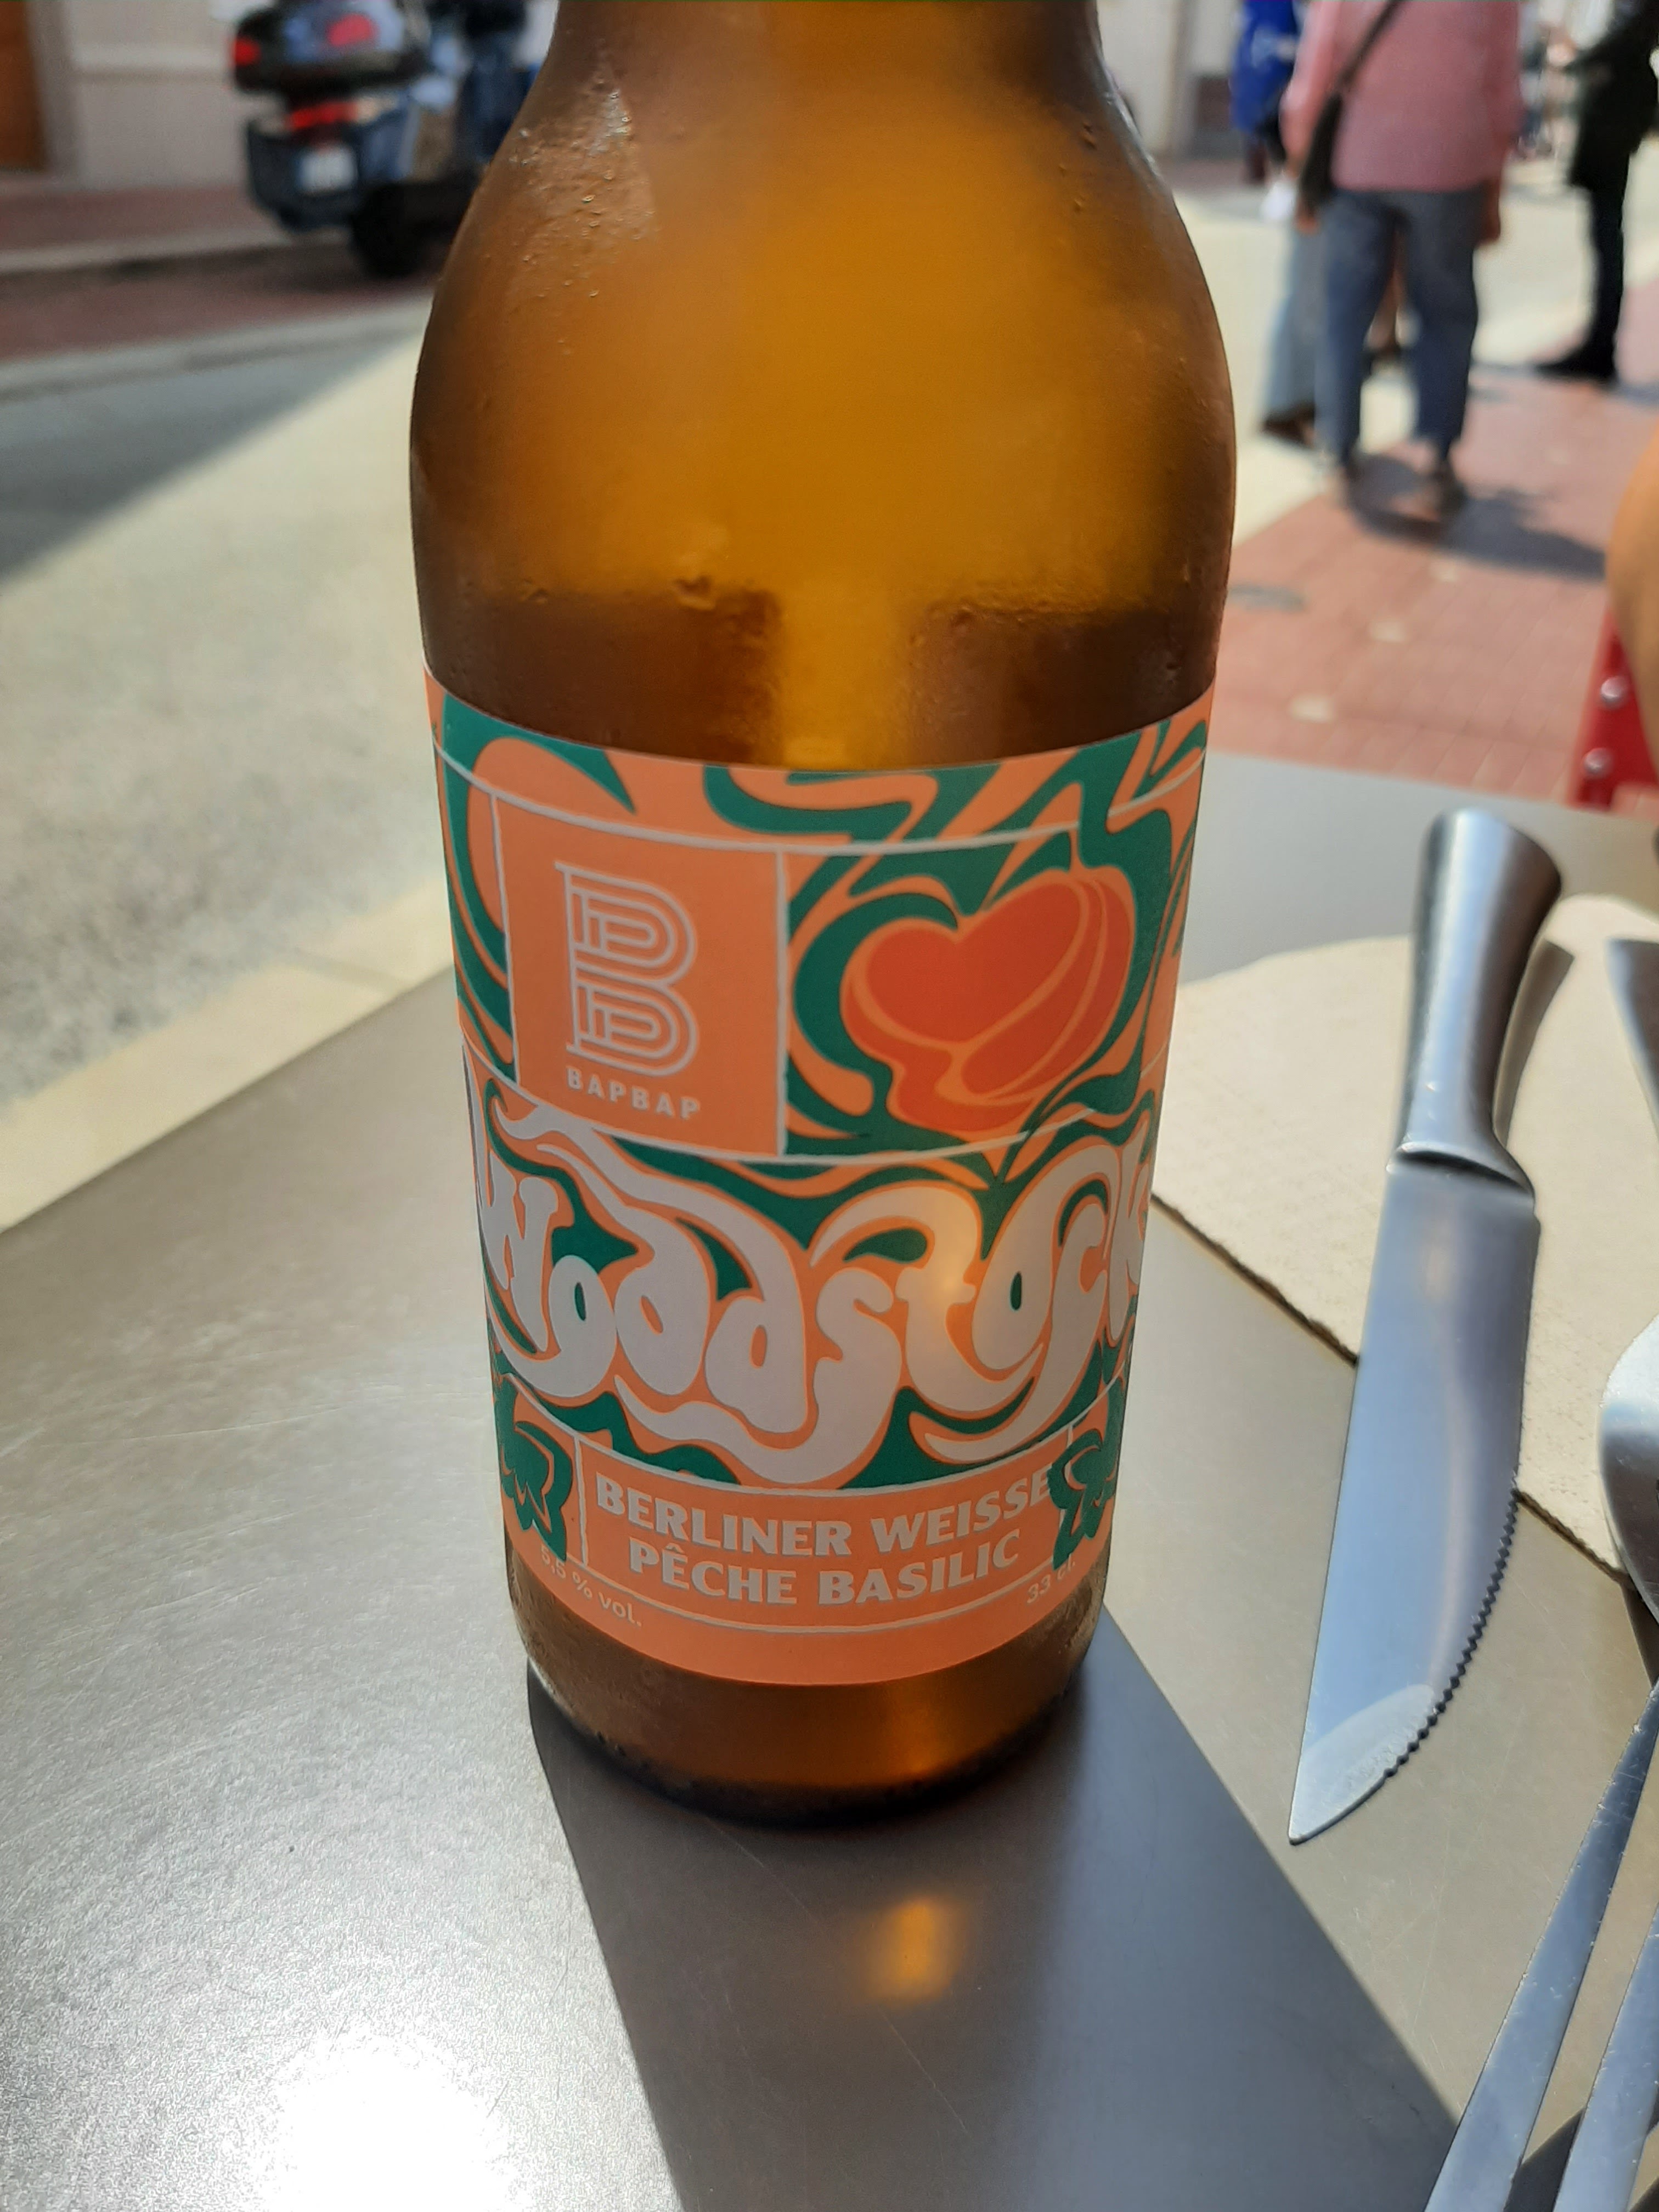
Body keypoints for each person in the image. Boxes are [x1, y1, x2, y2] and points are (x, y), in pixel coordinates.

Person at [1282, 1, 1521, 521]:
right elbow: (1503, 88)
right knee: (1444, 316)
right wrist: (1495, 187)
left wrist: (1301, 164)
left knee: (1345, 314)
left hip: (1358, 164)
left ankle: (1337, 449)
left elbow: (1313, 73)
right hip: (1452, 168)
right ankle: (1437, 457)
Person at [1537, 0, 1659, 386]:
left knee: (1606, 230)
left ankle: (1600, 345)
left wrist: (1580, 60)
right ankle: (1599, 342)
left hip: (1615, 109)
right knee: (1604, 230)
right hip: (1616, 105)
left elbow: (1630, 34)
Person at [1232, 1, 1304, 182]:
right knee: (1259, 122)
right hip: (1260, 77)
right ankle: (1263, 168)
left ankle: (1278, 166)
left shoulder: (1286, 6)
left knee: (1270, 122)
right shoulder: (1255, 5)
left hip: (1277, 77)